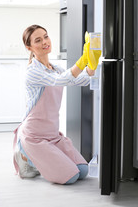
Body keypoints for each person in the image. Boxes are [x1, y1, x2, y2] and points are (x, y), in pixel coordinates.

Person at [13, 24, 101, 185]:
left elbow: (82, 80)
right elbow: (62, 80)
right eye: (38, 40)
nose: (45, 42)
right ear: (29, 47)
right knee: (70, 177)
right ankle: (25, 155)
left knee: (82, 171)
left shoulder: (56, 68)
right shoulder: (33, 72)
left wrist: (92, 64)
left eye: (46, 36)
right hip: (34, 137)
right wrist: (83, 60)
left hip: (53, 135)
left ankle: (43, 160)